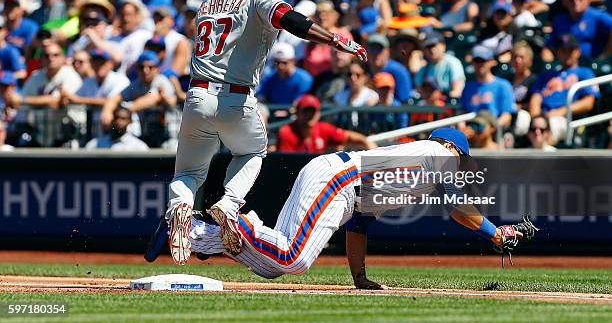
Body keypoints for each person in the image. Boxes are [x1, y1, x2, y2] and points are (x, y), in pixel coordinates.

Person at [165, 0, 366, 265]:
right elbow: (294, 22)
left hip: (197, 95)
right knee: (252, 151)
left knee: (187, 173)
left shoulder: (208, 0)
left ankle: (179, 209)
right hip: (235, 95)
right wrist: (335, 39)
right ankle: (229, 204)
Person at [183, 128, 536, 286]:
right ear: (455, 150)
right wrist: (494, 231)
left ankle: (194, 233)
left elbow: (359, 222)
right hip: (339, 180)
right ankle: (236, 221)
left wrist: (359, 277)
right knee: (295, 260)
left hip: (337, 180)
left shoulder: (416, 172)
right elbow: (458, 207)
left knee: (272, 267)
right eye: (463, 161)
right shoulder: (440, 154)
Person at [530, 34, 600, 142]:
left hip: (565, 118)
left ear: (578, 51)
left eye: (570, 50)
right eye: (563, 50)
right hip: (543, 116)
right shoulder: (548, 74)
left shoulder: (585, 73)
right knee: (523, 119)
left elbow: (588, 102)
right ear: (558, 52)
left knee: (552, 125)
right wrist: (536, 118)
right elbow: (536, 97)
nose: (567, 54)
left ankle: (541, 156)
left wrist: (561, 111)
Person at [100, 51, 176, 147]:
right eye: (141, 67)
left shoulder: (161, 81)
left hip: (168, 136)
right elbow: (115, 98)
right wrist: (107, 111)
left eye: (150, 67)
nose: (145, 70)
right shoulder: (137, 84)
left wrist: (124, 111)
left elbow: (151, 99)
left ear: (157, 69)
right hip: (147, 134)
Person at [276, 94, 376, 152]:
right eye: (306, 111)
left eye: (313, 111)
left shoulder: (323, 129)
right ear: (297, 112)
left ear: (318, 114)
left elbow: (348, 136)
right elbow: (286, 163)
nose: (309, 115)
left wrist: (366, 142)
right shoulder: (286, 132)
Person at [546, 0, 612, 60]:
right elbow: (549, 47)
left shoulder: (597, 16)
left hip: (596, 66)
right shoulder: (560, 21)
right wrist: (549, 63)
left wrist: (605, 56)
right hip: (569, 66)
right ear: (566, 1)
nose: (575, 1)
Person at [461, 45, 515, 128]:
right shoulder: (468, 87)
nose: (480, 64)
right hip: (472, 131)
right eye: (477, 61)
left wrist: (490, 129)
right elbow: (463, 113)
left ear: (492, 62)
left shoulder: (503, 86)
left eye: (483, 61)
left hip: (493, 132)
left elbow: (507, 116)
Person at [414, 31, 465, 99]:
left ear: (443, 45)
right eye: (428, 47)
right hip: (428, 106)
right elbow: (419, 91)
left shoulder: (453, 63)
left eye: (434, 45)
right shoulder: (424, 68)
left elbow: (457, 92)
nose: (432, 49)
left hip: (446, 105)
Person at [366, 34, 412, 103]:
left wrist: (379, 102)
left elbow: (405, 102)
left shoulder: (398, 71)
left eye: (379, 49)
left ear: (388, 52)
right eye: (372, 49)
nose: (375, 53)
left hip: (394, 113)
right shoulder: (362, 71)